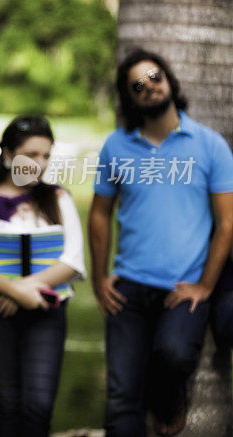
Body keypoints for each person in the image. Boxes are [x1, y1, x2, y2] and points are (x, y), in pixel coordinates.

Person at [89, 48, 233, 436]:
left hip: (182, 286)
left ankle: (169, 398)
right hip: (128, 288)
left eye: (154, 76)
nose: (149, 86)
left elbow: (228, 222)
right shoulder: (115, 147)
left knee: (172, 356)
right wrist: (99, 278)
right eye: (137, 85)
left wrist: (205, 285)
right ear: (129, 98)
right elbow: (100, 213)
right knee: (121, 396)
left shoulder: (209, 144)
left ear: (168, 79)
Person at [0, 115, 85, 436]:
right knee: (9, 402)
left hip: (48, 311)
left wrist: (22, 291)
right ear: (7, 154)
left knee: (39, 404)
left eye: (46, 155)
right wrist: (14, 293)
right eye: (31, 155)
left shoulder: (59, 199)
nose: (40, 164)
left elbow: (71, 261)